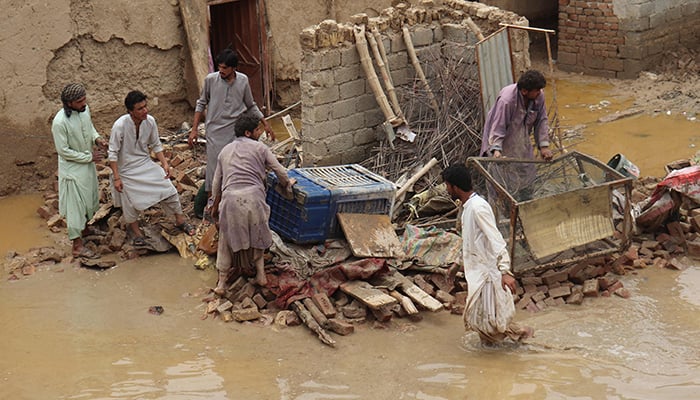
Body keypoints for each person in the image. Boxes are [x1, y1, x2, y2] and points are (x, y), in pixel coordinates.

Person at [442, 163, 533, 346]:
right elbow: (469, 242)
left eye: (447, 185)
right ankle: (513, 343)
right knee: (486, 324)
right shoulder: (468, 208)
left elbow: (496, 239)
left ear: (455, 187)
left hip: (488, 276)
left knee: (490, 325)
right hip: (478, 274)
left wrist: (505, 271)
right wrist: (457, 264)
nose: (446, 189)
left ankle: (523, 338)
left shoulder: (478, 208)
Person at [210, 115, 294, 293]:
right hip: (255, 198)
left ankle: (222, 284)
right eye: (258, 130)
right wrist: (287, 184)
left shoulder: (225, 151)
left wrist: (214, 206)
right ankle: (261, 276)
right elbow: (279, 171)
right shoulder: (261, 148)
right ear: (248, 133)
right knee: (258, 235)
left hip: (230, 199)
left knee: (225, 240)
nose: (261, 133)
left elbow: (216, 183)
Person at [108, 90, 195, 245]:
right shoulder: (119, 125)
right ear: (130, 111)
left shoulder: (150, 121)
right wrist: (116, 177)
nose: (145, 111)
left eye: (145, 106)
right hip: (125, 170)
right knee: (129, 201)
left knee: (169, 189)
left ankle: (180, 220)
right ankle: (136, 232)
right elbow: (112, 153)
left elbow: (156, 144)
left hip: (144, 163)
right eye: (140, 109)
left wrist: (165, 164)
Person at [188, 48, 275, 199]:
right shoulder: (210, 80)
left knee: (234, 166)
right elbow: (201, 104)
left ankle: (230, 200)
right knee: (214, 169)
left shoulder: (243, 81)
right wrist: (194, 129)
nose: (221, 70)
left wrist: (265, 124)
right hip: (214, 132)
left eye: (225, 68)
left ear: (234, 68)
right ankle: (212, 203)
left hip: (234, 132)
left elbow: (251, 105)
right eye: (219, 67)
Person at [51, 83, 108, 259]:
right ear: (69, 103)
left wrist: (97, 139)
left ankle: (86, 229)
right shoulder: (59, 122)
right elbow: (63, 151)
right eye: (79, 101)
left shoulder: (85, 110)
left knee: (89, 198)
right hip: (72, 170)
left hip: (87, 165)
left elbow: (89, 128)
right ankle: (77, 246)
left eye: (84, 99)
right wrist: (88, 157)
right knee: (75, 207)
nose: (84, 103)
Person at [480, 69, 553, 161]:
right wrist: (496, 149)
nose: (539, 92)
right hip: (502, 137)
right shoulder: (507, 100)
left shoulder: (538, 96)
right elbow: (499, 125)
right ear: (524, 91)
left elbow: (541, 120)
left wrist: (544, 146)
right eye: (537, 90)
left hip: (521, 138)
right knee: (502, 168)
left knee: (526, 168)